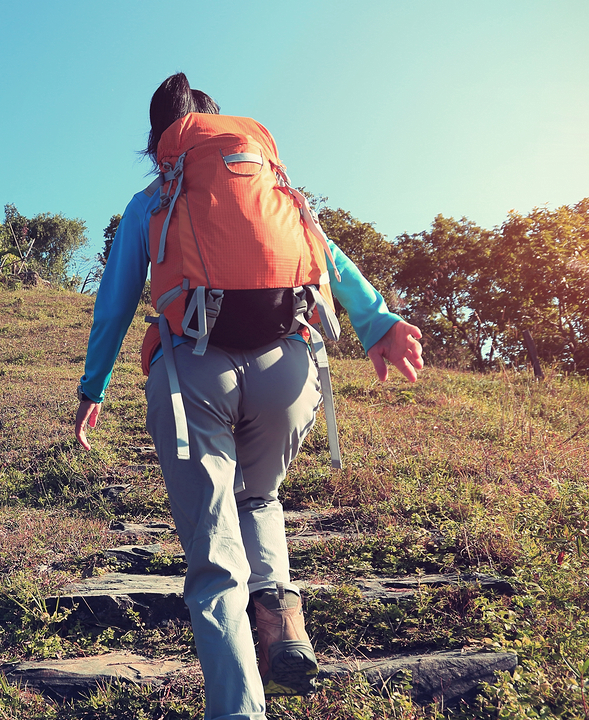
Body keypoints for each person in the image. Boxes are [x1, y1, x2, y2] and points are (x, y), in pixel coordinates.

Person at [73, 73, 424, 720]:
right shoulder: (272, 185)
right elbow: (330, 257)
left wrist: (93, 388)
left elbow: (115, 303)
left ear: (161, 144)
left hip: (194, 375)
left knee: (213, 561)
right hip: (289, 367)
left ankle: (238, 709)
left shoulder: (149, 202)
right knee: (258, 496)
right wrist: (378, 324)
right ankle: (281, 612)